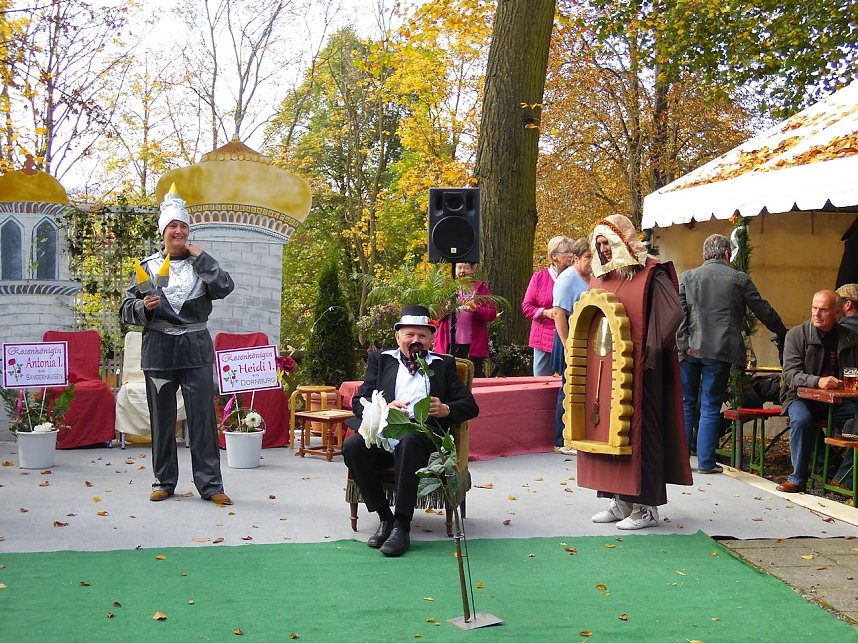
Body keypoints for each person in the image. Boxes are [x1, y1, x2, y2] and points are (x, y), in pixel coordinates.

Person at [120, 186, 235, 505]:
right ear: (163, 231)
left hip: (196, 351)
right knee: (162, 418)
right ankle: (164, 480)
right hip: (158, 353)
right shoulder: (146, 268)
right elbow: (125, 309)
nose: (179, 230)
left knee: (202, 418)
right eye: (173, 225)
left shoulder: (203, 266)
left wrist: (201, 255)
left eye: (183, 225)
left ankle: (211, 485)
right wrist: (145, 308)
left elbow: (224, 287)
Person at [580, 215, 692, 529]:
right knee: (607, 433)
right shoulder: (601, 278)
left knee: (641, 435)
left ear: (624, 240)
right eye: (599, 243)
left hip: (643, 370)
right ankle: (620, 501)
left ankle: (646, 507)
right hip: (605, 369)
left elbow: (672, 314)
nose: (603, 248)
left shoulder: (650, 273)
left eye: (608, 242)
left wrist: (649, 353)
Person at [343, 305, 479, 557]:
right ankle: (386, 518)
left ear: (431, 339)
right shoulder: (381, 360)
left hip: (423, 440)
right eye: (409, 335)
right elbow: (358, 401)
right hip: (384, 435)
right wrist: (384, 408)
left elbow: (470, 406)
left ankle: (402, 526)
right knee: (352, 446)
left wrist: (446, 408)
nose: (415, 340)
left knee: (410, 441)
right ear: (398, 337)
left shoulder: (443, 364)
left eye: (422, 335)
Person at [676, 234, 787, 474]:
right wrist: (782, 331)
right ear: (727, 254)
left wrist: (683, 345)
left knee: (686, 403)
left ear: (705, 254)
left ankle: (681, 463)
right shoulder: (737, 279)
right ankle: (705, 462)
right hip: (721, 350)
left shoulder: (687, 277)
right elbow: (762, 309)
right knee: (710, 404)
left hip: (690, 349)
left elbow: (678, 316)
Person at [776, 290, 858, 493]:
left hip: (838, 401)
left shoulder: (851, 337)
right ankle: (797, 479)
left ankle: (843, 478)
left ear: (838, 313)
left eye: (823, 310)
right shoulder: (796, 335)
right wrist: (818, 381)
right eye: (814, 308)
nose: (816, 314)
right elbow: (791, 375)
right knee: (802, 420)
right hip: (800, 397)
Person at [551, 238, 593, 455]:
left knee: (583, 388)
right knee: (568, 387)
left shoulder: (593, 276)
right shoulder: (567, 279)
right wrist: (568, 345)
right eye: (588, 258)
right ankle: (561, 439)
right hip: (569, 334)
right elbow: (558, 313)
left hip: (587, 334)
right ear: (576, 258)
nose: (592, 262)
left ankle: (578, 434)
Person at [521, 236, 574, 376]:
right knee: (541, 382)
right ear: (554, 256)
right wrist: (546, 313)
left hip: (570, 337)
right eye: (567, 252)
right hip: (543, 339)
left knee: (569, 382)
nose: (571, 255)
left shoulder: (576, 277)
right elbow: (527, 307)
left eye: (572, 252)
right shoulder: (539, 277)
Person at [434, 262, 496, 378]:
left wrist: (476, 309)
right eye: (459, 267)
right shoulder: (446, 288)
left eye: (466, 267)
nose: (462, 271)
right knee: (447, 376)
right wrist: (444, 309)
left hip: (472, 344)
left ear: (472, 270)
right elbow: (433, 314)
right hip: (448, 342)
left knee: (472, 376)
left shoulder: (480, 289)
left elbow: (491, 314)